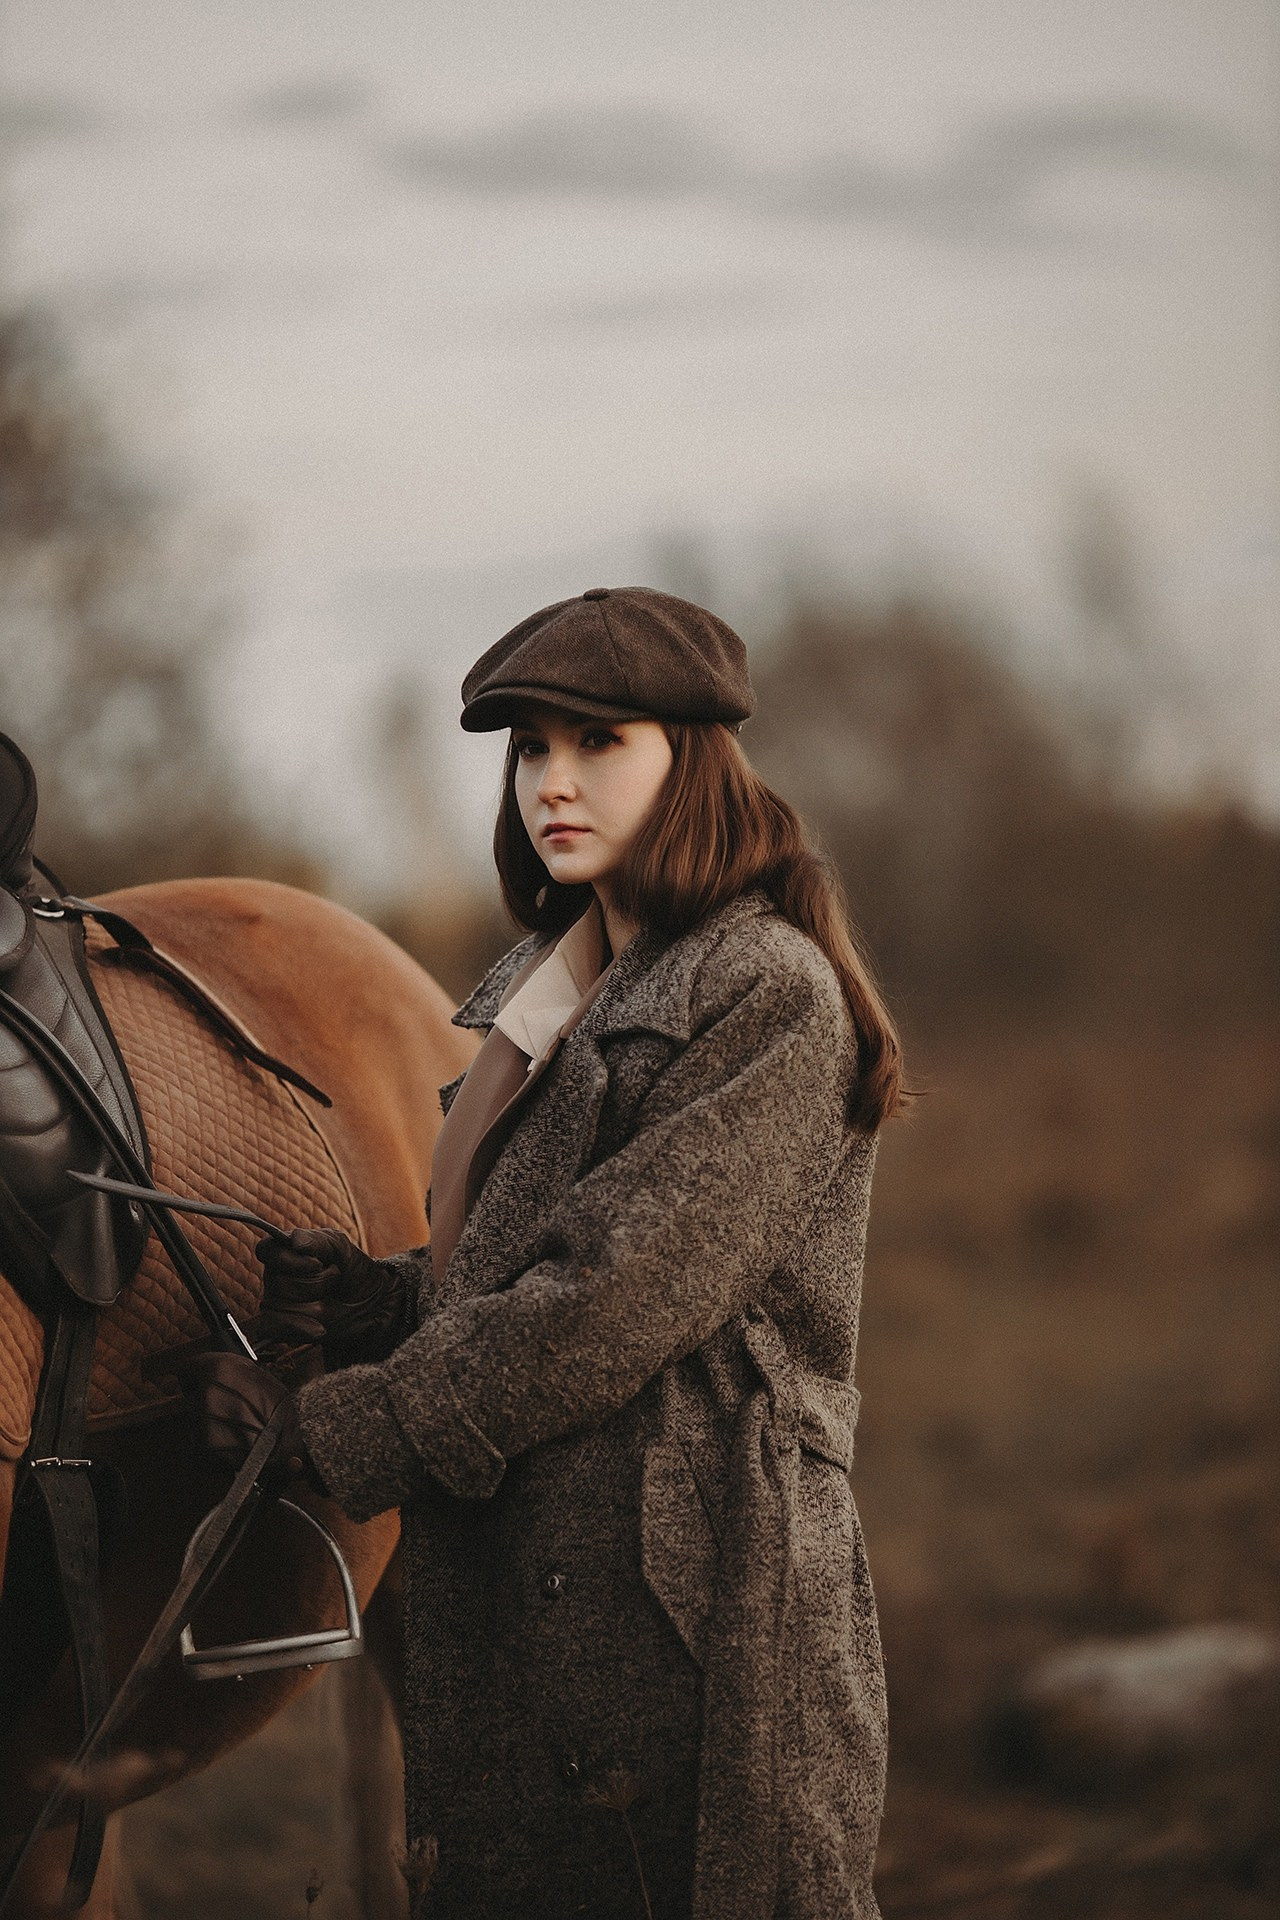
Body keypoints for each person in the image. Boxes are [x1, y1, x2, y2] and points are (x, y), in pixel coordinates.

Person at [189, 586, 903, 1920]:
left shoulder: (770, 996)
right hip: (532, 1590)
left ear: (692, 757)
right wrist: (375, 1302)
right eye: (529, 749)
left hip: (695, 1608)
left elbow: (603, 1304)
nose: (552, 783)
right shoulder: (556, 998)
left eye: (599, 742)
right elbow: (518, 1269)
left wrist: (326, 1429)